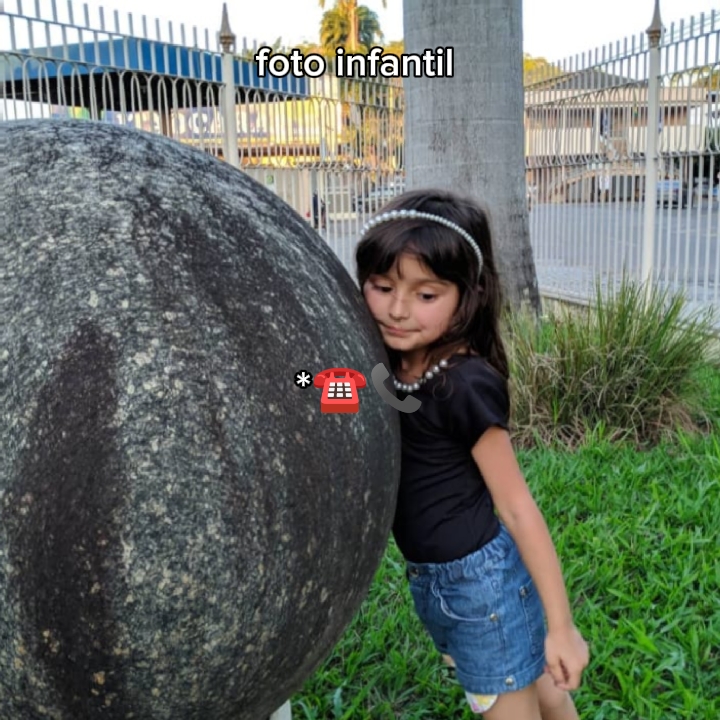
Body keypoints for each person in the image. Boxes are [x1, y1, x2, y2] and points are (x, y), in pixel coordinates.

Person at [355, 189, 589, 719]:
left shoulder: (463, 383)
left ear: (467, 296)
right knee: (543, 687)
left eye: (425, 295)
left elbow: (517, 508)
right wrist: (294, 379)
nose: (397, 309)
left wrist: (562, 628)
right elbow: (341, 389)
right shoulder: (394, 369)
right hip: (438, 581)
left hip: (479, 589)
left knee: (510, 698)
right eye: (383, 287)